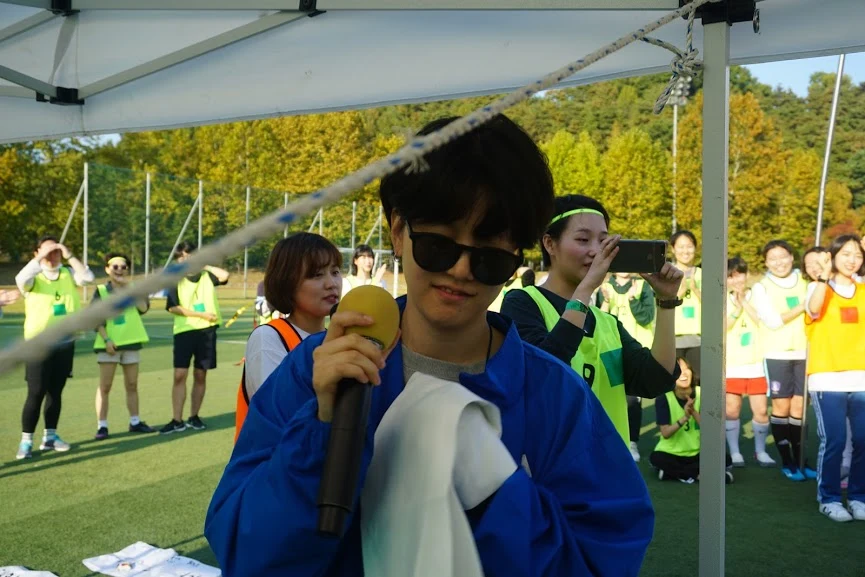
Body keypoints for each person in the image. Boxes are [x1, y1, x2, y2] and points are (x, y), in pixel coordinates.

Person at [206, 115, 655, 576]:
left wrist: (492, 486)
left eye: (489, 256)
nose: (460, 270)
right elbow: (246, 552)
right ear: (399, 232)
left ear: (515, 260)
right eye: (439, 245)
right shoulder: (318, 370)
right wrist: (320, 433)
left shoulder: (555, 395)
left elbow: (603, 559)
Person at [501, 194, 682, 446]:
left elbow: (656, 379)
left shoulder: (607, 323)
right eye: (583, 239)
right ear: (550, 244)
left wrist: (666, 301)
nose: (596, 251)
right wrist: (585, 289)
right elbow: (542, 377)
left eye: (603, 241)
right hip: (552, 467)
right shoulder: (522, 302)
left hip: (609, 465)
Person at [237, 233, 342, 441]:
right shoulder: (269, 337)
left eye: (335, 271)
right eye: (317, 275)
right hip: (274, 459)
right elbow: (280, 418)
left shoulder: (336, 339)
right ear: (288, 283)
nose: (331, 283)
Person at [14, 235, 94, 459]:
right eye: (47, 251)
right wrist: (41, 256)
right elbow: (21, 279)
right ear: (37, 253)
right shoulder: (34, 278)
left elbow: (87, 278)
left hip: (65, 343)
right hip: (38, 345)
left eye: (56, 250)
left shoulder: (68, 273)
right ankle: (26, 441)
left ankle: (50, 437)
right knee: (36, 392)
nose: (53, 254)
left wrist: (69, 254)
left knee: (55, 392)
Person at [805, 234, 865, 522]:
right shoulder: (818, 288)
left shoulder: (862, 289)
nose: (852, 260)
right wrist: (823, 276)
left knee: (863, 441)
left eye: (858, 255)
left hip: (861, 378)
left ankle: (857, 496)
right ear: (833, 256)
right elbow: (814, 309)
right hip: (827, 379)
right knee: (835, 441)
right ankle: (828, 498)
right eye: (846, 254)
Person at [750, 240, 814, 480]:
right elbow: (773, 321)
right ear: (766, 262)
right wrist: (804, 305)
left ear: (792, 257)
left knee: (799, 409)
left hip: (805, 353)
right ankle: (787, 462)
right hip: (777, 355)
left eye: (783, 256)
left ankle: (801, 460)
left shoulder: (806, 281)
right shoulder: (761, 287)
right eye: (773, 258)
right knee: (781, 408)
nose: (779, 262)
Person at [161, 241, 230, 434]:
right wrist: (201, 315)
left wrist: (204, 264)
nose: (185, 259)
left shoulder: (207, 275)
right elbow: (172, 307)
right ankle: (176, 420)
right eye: (181, 257)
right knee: (179, 375)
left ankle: (194, 416)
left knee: (201, 374)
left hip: (207, 332)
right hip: (184, 331)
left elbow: (225, 276)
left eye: (189, 255)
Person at [92, 253, 155, 439]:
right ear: (107, 269)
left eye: (123, 267)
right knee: (105, 386)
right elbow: (95, 319)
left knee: (132, 384)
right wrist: (107, 340)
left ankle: (135, 421)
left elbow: (143, 308)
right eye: (115, 267)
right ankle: (102, 426)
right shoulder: (101, 291)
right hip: (109, 345)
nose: (119, 270)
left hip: (131, 343)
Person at [598, 272, 656, 462]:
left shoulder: (642, 286)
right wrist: (606, 301)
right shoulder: (604, 286)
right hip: (610, 351)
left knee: (632, 400)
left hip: (636, 350)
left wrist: (632, 299)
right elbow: (598, 319)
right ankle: (608, 441)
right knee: (607, 396)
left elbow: (647, 317)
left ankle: (631, 442)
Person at [724, 257, 775, 468]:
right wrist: (736, 308)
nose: (736, 280)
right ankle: (735, 452)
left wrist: (744, 302)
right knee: (732, 410)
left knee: (761, 410)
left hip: (757, 364)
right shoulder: (723, 299)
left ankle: (760, 451)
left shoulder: (758, 295)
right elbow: (722, 327)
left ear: (746, 275)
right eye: (731, 276)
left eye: (739, 275)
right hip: (732, 364)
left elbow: (763, 322)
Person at [651, 358, 734, 484]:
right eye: (678, 370)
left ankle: (673, 474)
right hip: (671, 452)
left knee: (724, 457)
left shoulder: (704, 393)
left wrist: (693, 412)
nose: (684, 373)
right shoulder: (664, 398)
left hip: (699, 452)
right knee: (656, 458)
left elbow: (711, 432)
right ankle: (702, 475)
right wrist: (684, 418)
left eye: (687, 369)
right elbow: (666, 433)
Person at [670, 230, 702, 382]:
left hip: (698, 337)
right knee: (673, 381)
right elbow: (662, 302)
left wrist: (695, 289)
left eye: (689, 246)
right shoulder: (667, 273)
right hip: (673, 338)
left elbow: (713, 306)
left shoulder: (703, 274)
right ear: (673, 249)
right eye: (681, 247)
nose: (685, 251)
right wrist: (681, 291)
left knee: (699, 379)